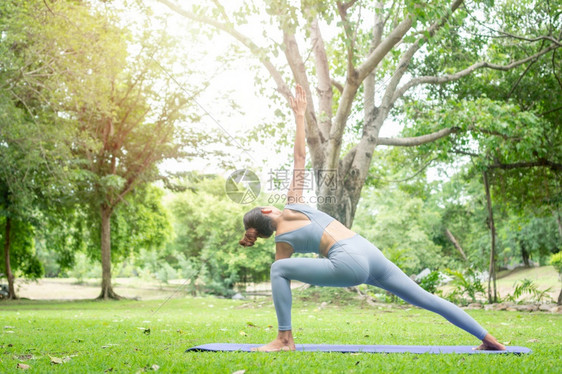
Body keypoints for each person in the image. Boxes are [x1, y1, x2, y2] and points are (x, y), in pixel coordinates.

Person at [238, 84, 505, 352]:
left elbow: (282, 279)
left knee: (278, 270)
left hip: (347, 262)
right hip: (367, 250)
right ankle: (490, 340)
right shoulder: (293, 203)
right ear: (265, 211)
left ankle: (285, 339)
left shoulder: (282, 245)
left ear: (262, 233)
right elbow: (299, 156)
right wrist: (299, 114)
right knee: (426, 298)